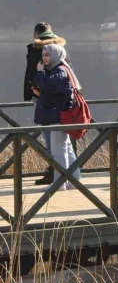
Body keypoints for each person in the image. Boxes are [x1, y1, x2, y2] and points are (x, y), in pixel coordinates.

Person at [32, 44, 81, 190]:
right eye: (43, 55)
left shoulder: (59, 70)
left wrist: (40, 73)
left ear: (56, 55)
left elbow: (50, 85)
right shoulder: (60, 69)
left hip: (58, 116)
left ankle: (59, 183)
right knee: (65, 148)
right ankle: (75, 179)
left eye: (47, 55)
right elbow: (54, 91)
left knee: (58, 150)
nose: (44, 58)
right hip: (60, 114)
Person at [24, 22, 68, 185]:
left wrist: (35, 89)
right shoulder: (59, 51)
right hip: (56, 101)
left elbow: (37, 74)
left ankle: (55, 174)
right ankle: (70, 175)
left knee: (51, 138)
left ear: (35, 34)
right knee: (62, 141)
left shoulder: (40, 52)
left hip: (47, 100)